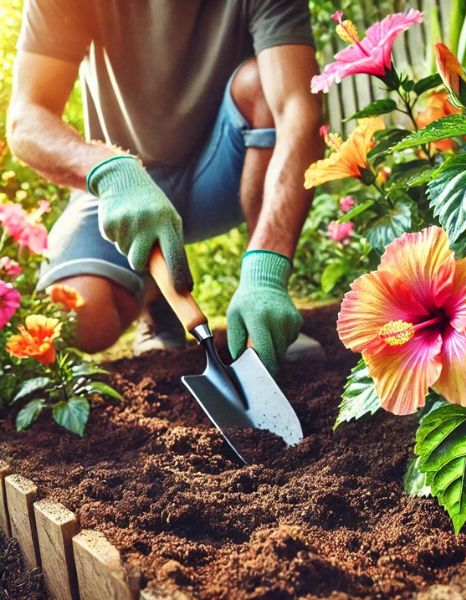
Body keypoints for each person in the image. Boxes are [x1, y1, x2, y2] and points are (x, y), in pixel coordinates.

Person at [7, 1, 323, 374]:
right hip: (121, 184)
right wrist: (109, 172)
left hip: (220, 169)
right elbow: (26, 121)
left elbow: (297, 110)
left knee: (263, 84)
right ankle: (156, 306)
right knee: (78, 320)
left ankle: (261, 304)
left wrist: (267, 270)